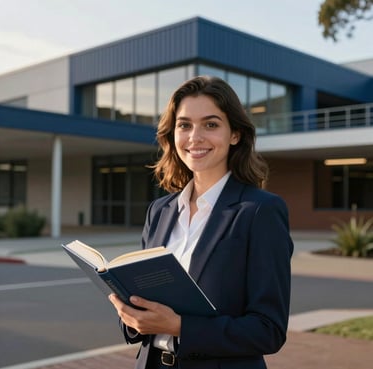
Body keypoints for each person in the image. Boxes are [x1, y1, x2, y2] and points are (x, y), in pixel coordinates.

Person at [109, 75, 293, 369]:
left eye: (211, 124)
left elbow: (268, 330)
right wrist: (132, 318)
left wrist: (180, 326)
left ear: (234, 134)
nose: (195, 137)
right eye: (184, 125)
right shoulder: (159, 211)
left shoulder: (260, 211)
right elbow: (142, 306)